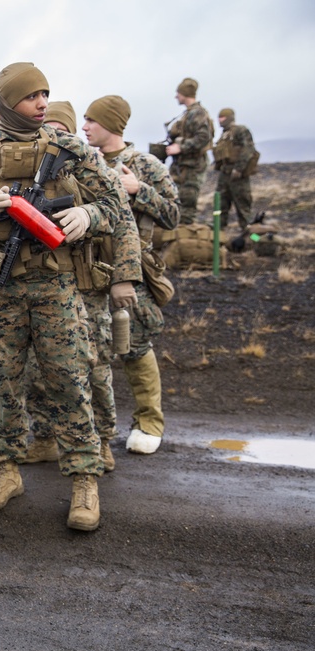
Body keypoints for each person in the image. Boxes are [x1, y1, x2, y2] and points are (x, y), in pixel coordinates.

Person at [0, 62, 124, 532]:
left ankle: (83, 479)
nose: (41, 103)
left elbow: (115, 204)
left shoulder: (71, 149)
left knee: (67, 378)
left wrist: (89, 217)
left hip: (56, 285)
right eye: (31, 95)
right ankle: (7, 471)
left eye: (45, 94)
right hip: (0, 286)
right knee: (5, 380)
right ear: (6, 102)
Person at [24, 98, 142, 472]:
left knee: (95, 366)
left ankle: (103, 440)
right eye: (49, 132)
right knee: (40, 368)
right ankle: (45, 437)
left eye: (61, 131)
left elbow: (123, 224)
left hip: (89, 285)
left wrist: (124, 278)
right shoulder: (32, 170)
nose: (53, 139)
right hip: (48, 284)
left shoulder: (88, 170)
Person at [82, 95, 180, 456]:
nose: (85, 126)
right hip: (89, 269)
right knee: (89, 351)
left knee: (135, 346)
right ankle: (92, 429)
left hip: (132, 268)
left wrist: (140, 191)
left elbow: (172, 215)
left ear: (111, 124)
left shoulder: (145, 165)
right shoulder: (83, 160)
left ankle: (149, 422)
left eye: (92, 120)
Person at [166, 78, 214, 225]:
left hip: (192, 168)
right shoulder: (189, 113)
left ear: (185, 94)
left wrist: (181, 147)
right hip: (183, 167)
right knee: (178, 203)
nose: (176, 96)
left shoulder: (198, 113)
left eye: (178, 93)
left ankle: (185, 242)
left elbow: (204, 137)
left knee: (187, 207)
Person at [213, 107, 257, 230]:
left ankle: (253, 239)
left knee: (243, 209)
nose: (220, 120)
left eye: (223, 118)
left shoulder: (240, 130)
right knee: (220, 205)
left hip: (237, 175)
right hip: (225, 173)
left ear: (230, 118)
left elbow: (247, 150)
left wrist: (238, 169)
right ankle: (218, 238)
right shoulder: (224, 135)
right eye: (219, 118)